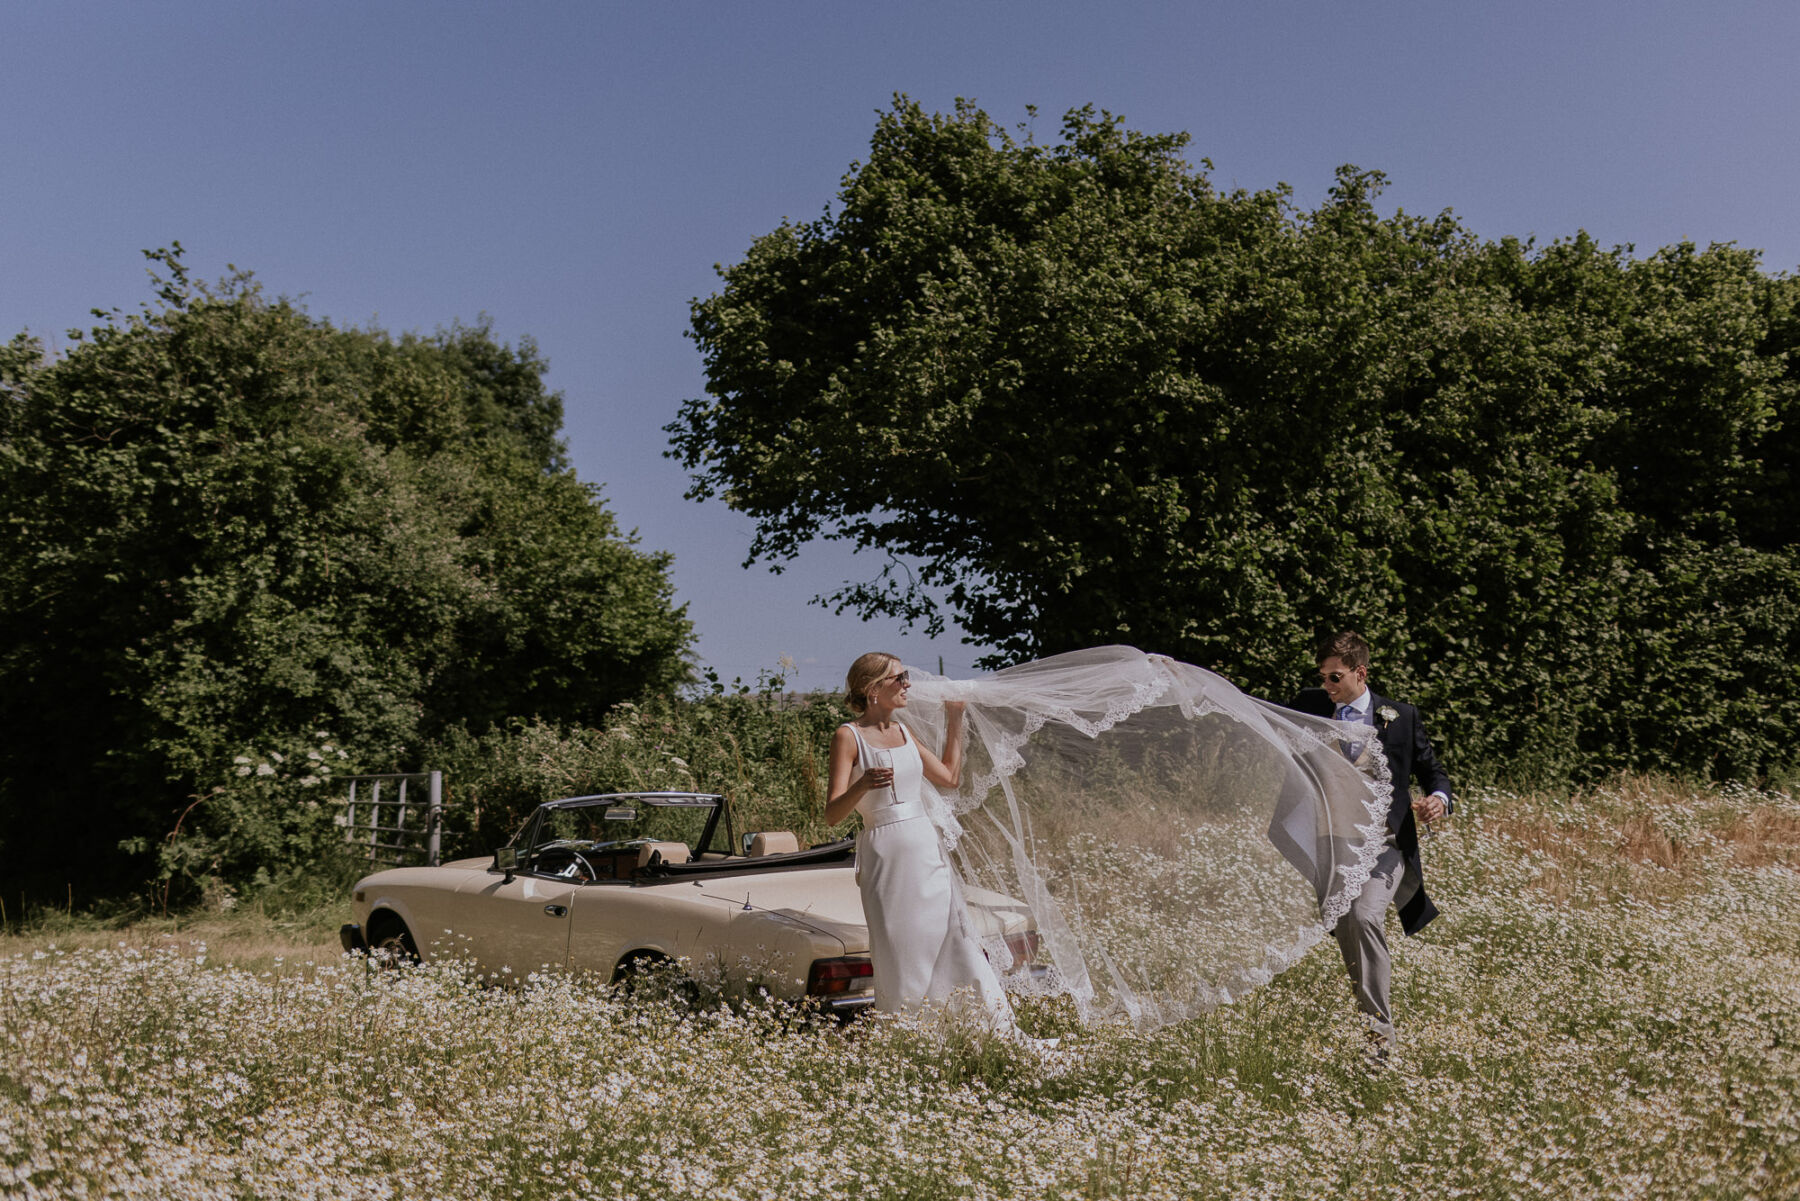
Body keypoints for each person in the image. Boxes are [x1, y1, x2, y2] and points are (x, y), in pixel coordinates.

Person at [825, 651, 1018, 1032]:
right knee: (900, 950)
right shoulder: (847, 736)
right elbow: (832, 814)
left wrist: (955, 718)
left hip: (924, 847)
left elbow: (949, 777)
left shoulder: (903, 732)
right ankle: (908, 1036)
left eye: (905, 676)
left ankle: (978, 1029)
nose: (908, 684)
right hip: (885, 851)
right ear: (872, 688)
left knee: (951, 939)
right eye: (900, 677)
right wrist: (862, 784)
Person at [1289, 630, 1452, 1059]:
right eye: (1323, 677)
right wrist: (1187, 677)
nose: (1327, 687)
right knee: (1344, 931)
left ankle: (1381, 1041)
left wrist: (1438, 800)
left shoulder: (1401, 716)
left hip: (1385, 846)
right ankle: (1367, 1027)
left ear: (1360, 673)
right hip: (1332, 846)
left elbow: (1434, 772)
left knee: (1364, 917)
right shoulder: (1310, 705)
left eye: (1335, 678)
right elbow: (1254, 712)